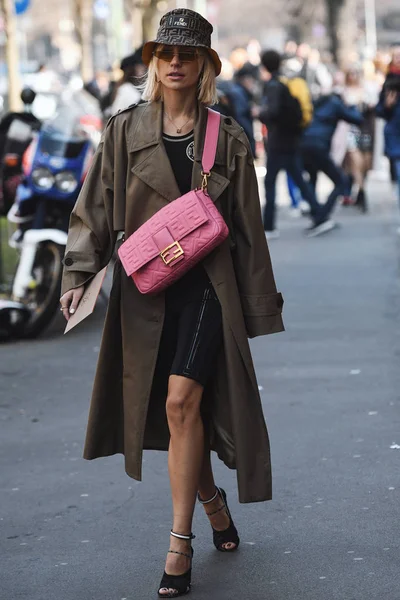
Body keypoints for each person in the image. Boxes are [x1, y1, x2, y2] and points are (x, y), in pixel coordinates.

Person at [59, 9, 284, 598]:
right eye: (166, 54)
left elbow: (249, 233)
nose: (176, 63)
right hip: (146, 293)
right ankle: (210, 500)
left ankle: (178, 541)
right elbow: (95, 209)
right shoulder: (122, 131)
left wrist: (260, 308)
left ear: (207, 66)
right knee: (176, 415)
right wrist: (80, 273)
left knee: (182, 402)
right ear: (153, 63)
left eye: (188, 55)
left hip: (210, 288)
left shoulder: (228, 139)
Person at [259, 49, 335, 238]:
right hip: (291, 140)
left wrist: (260, 114)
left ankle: (268, 226)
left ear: (265, 66)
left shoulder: (274, 86)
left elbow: (273, 112)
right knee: (299, 179)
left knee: (270, 183)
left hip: (278, 142)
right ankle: (319, 215)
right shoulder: (285, 83)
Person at [300, 82, 363, 220]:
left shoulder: (318, 104)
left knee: (312, 177)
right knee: (341, 181)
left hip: (304, 143)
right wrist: (351, 105)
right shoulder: (336, 104)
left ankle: (315, 211)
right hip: (319, 146)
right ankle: (321, 215)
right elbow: (358, 119)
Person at [342, 65, 379, 211]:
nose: (354, 76)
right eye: (351, 73)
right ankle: (363, 193)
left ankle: (360, 191)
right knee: (356, 162)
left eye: (356, 73)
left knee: (365, 164)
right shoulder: (344, 92)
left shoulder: (367, 90)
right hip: (351, 132)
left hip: (366, 131)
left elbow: (375, 106)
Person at [376, 45, 400, 225]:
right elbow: (380, 111)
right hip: (396, 138)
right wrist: (387, 105)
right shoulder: (389, 82)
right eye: (396, 57)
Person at [229, 62, 259, 156]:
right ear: (245, 79)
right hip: (242, 140)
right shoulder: (238, 93)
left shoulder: (240, 91)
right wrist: (250, 138)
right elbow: (240, 117)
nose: (252, 83)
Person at [109, 46, 146, 115]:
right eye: (140, 67)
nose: (143, 70)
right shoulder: (127, 90)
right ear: (133, 70)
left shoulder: (124, 87)